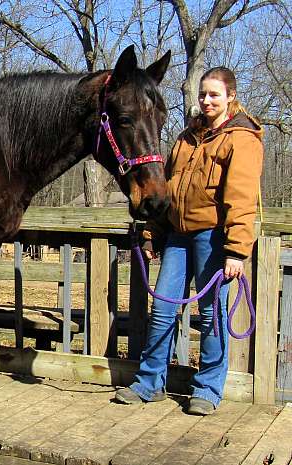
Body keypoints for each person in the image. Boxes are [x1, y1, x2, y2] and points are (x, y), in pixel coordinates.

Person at [114, 67, 264, 415]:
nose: (206, 100)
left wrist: (236, 251)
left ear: (230, 96)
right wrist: (152, 233)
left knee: (212, 314)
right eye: (203, 94)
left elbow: (241, 200)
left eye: (214, 94)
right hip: (178, 237)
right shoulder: (187, 137)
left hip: (213, 238)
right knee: (163, 309)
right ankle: (150, 383)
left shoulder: (242, 138)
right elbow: (165, 188)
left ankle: (208, 390)